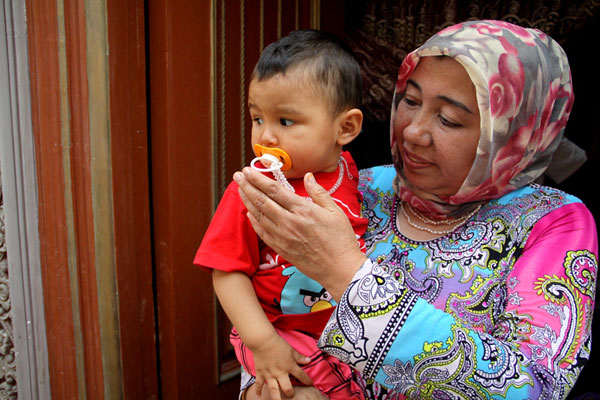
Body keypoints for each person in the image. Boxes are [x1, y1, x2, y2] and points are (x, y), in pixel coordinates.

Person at [233, 20, 598, 399]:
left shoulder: (553, 223)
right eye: (410, 101)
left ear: (514, 133)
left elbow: (533, 388)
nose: (412, 132)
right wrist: (268, 387)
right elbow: (271, 301)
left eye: (448, 119)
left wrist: (347, 273)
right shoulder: (359, 185)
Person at [194, 30, 367, 400]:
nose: (265, 137)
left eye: (285, 122)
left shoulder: (348, 172)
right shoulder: (253, 191)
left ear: (345, 129)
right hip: (277, 334)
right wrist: (263, 343)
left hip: (343, 335)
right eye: (258, 118)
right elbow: (225, 271)